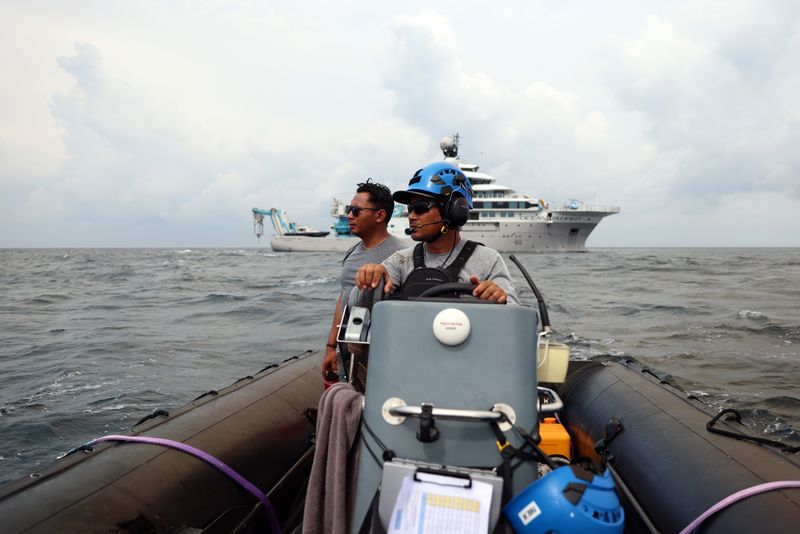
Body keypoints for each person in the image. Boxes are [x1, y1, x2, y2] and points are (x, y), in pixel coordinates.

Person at [354, 161, 519, 305]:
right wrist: (369, 280)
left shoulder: (488, 260)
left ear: (453, 211)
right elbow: (356, 304)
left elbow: (514, 312)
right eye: (410, 209)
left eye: (420, 208)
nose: (411, 216)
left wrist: (499, 298)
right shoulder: (400, 261)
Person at [322, 180, 407, 378]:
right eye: (349, 209)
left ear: (380, 215)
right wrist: (330, 346)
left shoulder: (402, 255)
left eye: (356, 210)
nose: (349, 215)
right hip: (349, 352)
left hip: (384, 356)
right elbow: (343, 298)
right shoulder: (351, 253)